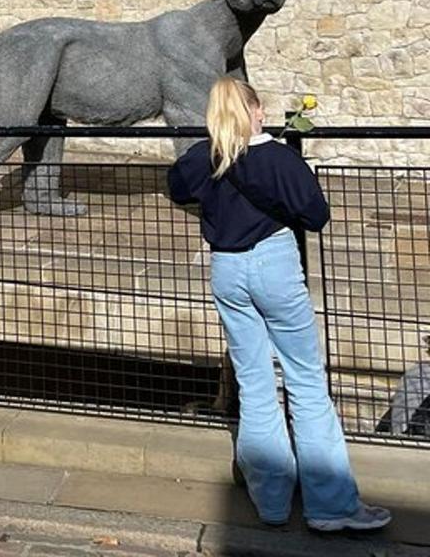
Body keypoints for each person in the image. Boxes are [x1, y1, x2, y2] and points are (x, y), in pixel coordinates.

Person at [167, 77, 390, 532]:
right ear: (257, 111)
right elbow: (316, 215)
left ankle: (270, 500)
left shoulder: (205, 156)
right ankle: (331, 506)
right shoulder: (278, 159)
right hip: (274, 265)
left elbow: (177, 187)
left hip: (226, 269)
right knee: (305, 382)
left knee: (254, 382)